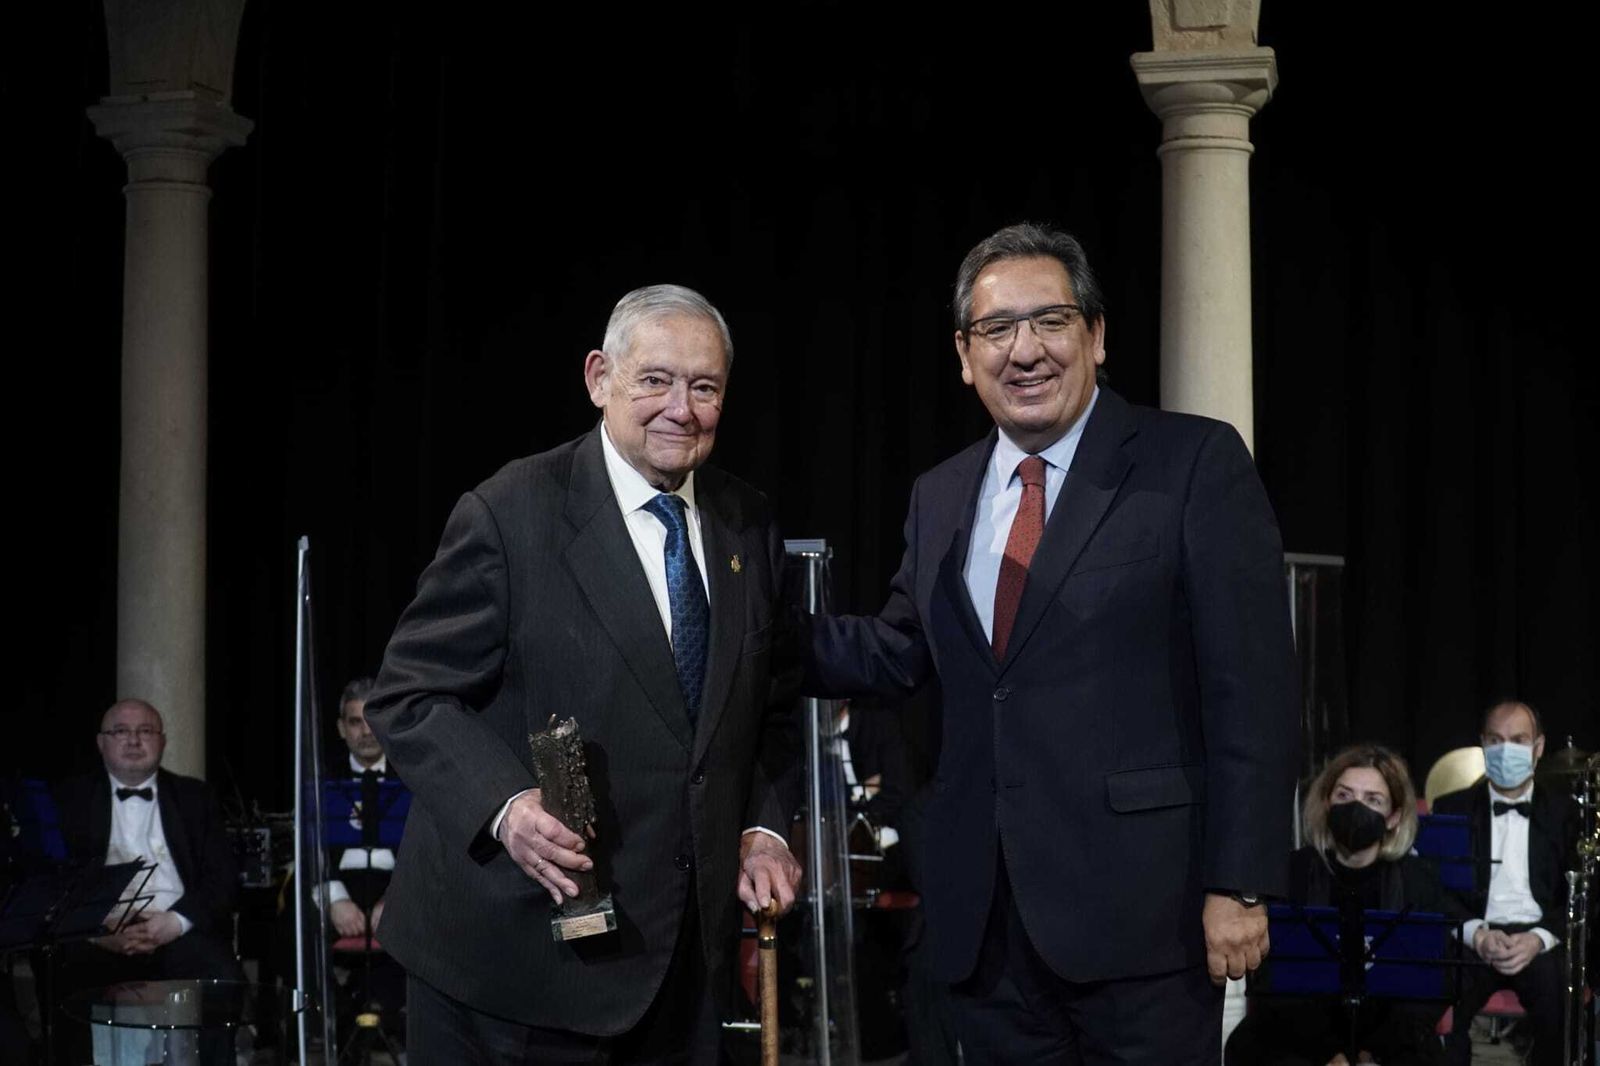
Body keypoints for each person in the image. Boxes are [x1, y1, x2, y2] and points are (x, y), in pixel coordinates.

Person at [802, 223, 1300, 1064]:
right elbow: (898, 649)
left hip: (1149, 924)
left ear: (1096, 336)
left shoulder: (1192, 463)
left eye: (1051, 321)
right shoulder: (940, 493)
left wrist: (1240, 884)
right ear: (965, 355)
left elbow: (1252, 689)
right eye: (997, 328)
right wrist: (745, 630)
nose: (1025, 349)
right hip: (988, 930)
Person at [366, 284, 803, 1063]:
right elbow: (410, 693)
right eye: (655, 380)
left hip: (680, 970)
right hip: (510, 969)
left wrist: (764, 829)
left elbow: (766, 708)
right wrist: (505, 806)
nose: (681, 409)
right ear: (600, 377)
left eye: (704, 388)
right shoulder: (511, 512)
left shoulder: (748, 522)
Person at [1226, 744, 1445, 1066]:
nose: (1356, 807)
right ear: (1327, 802)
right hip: (1298, 1028)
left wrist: (1373, 1053)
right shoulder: (1293, 872)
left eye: (1373, 799)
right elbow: (1271, 981)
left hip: (1390, 1034)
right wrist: (1328, 1053)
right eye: (1344, 795)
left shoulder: (1419, 880)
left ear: (1394, 817)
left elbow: (1429, 987)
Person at [52, 699, 242, 1060]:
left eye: (145, 731)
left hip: (175, 930)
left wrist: (174, 922)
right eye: (120, 731)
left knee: (222, 976)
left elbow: (222, 879)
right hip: (99, 934)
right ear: (101, 743)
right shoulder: (69, 799)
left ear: (163, 741)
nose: (133, 740)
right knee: (61, 979)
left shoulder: (196, 797)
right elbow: (54, 881)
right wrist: (96, 929)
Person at [1433, 699, 1575, 1066]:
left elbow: (1580, 894)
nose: (1505, 749)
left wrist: (1539, 937)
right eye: (1495, 740)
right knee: (1436, 999)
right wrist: (1476, 934)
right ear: (1483, 744)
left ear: (1538, 747)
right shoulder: (1452, 808)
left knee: (1560, 1008)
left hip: (1539, 939)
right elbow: (1433, 887)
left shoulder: (1566, 812)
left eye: (1518, 740)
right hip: (1476, 936)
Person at [322, 677, 396, 941]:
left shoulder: (410, 777)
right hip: (338, 882)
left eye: (373, 721)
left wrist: (395, 898)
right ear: (342, 728)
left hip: (396, 884)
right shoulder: (322, 778)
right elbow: (308, 851)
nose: (366, 731)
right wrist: (335, 898)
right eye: (356, 722)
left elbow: (427, 852)